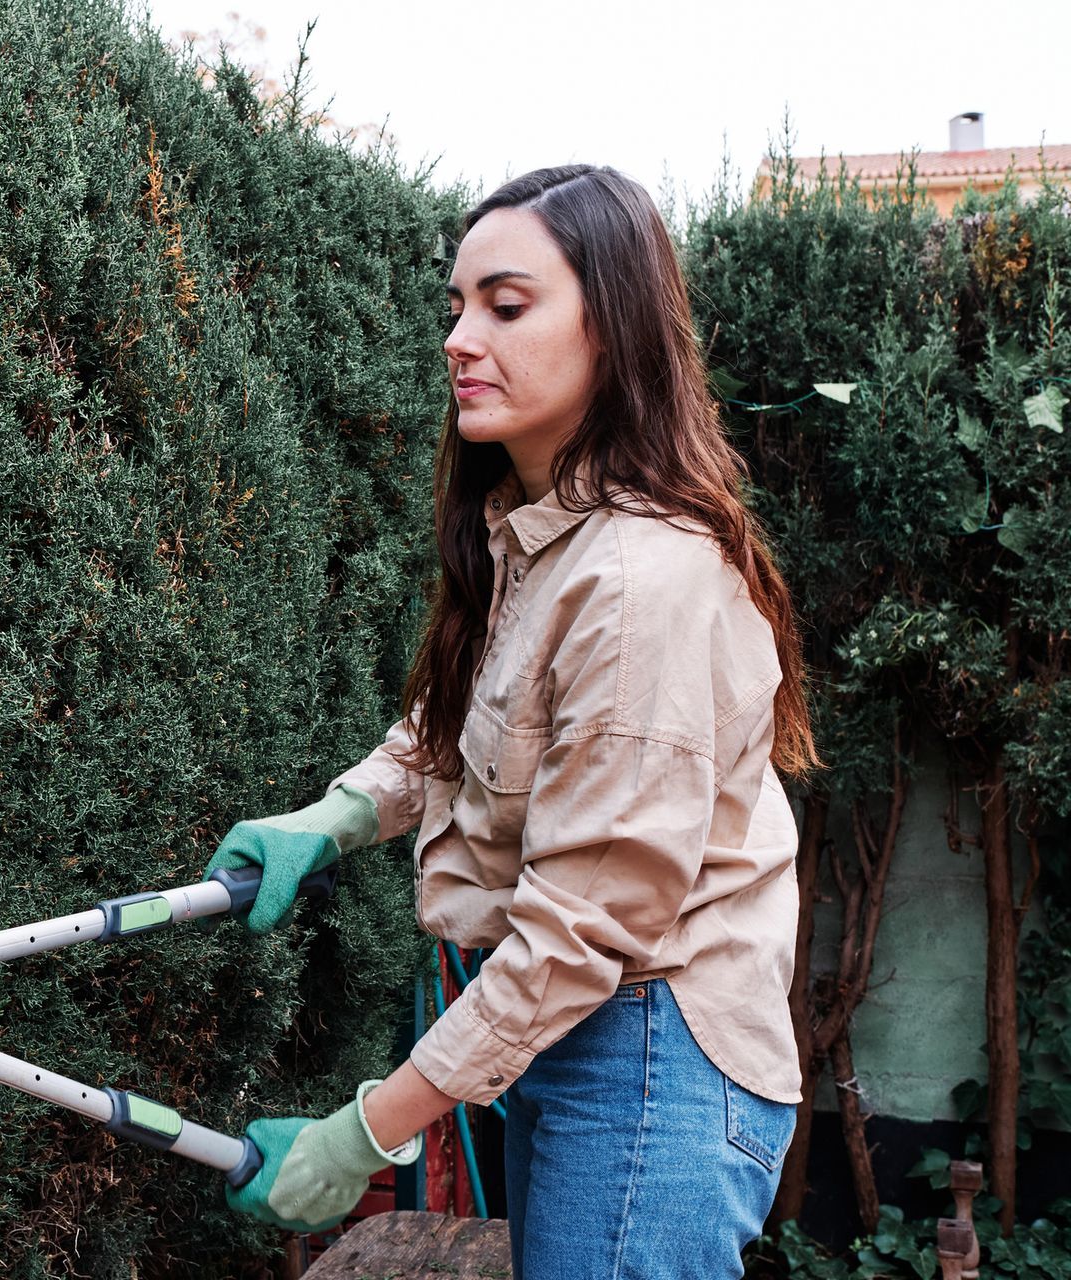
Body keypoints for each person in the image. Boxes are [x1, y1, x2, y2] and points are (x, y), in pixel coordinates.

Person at [210, 164, 819, 1279]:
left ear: (614, 328)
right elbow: (457, 731)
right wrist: (336, 815)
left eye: (506, 303)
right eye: (455, 306)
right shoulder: (537, 537)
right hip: (594, 1044)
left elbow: (578, 931)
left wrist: (366, 1129)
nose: (458, 337)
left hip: (651, 1057)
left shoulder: (641, 583)